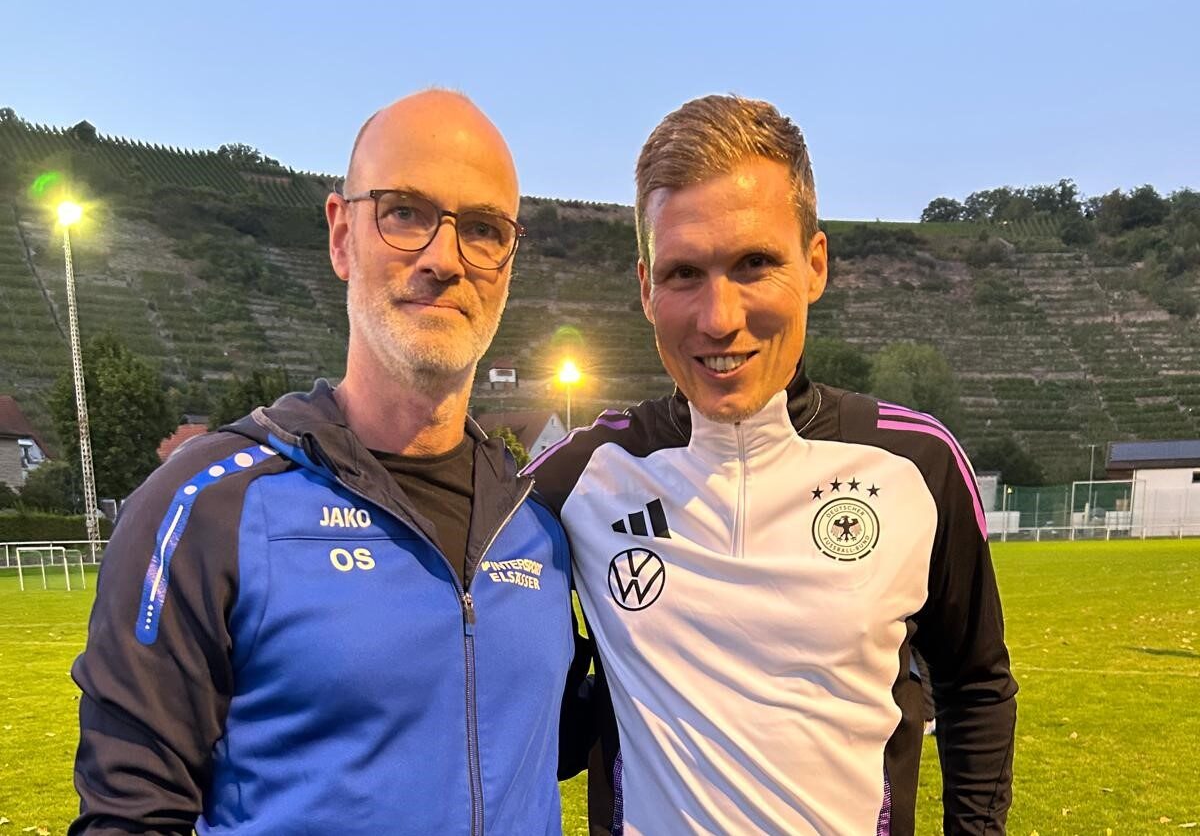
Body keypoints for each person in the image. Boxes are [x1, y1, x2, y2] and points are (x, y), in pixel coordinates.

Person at [70, 90, 576, 835]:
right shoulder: (207, 504)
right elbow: (129, 816)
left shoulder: (538, 526)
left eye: (481, 229)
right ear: (342, 236)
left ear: (508, 261)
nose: (444, 258)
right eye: (404, 212)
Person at [530, 95, 1017, 835]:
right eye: (684, 273)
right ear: (645, 287)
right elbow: (526, 708)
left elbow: (976, 684)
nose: (719, 316)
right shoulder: (580, 480)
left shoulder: (914, 466)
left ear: (815, 264)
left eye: (754, 263)